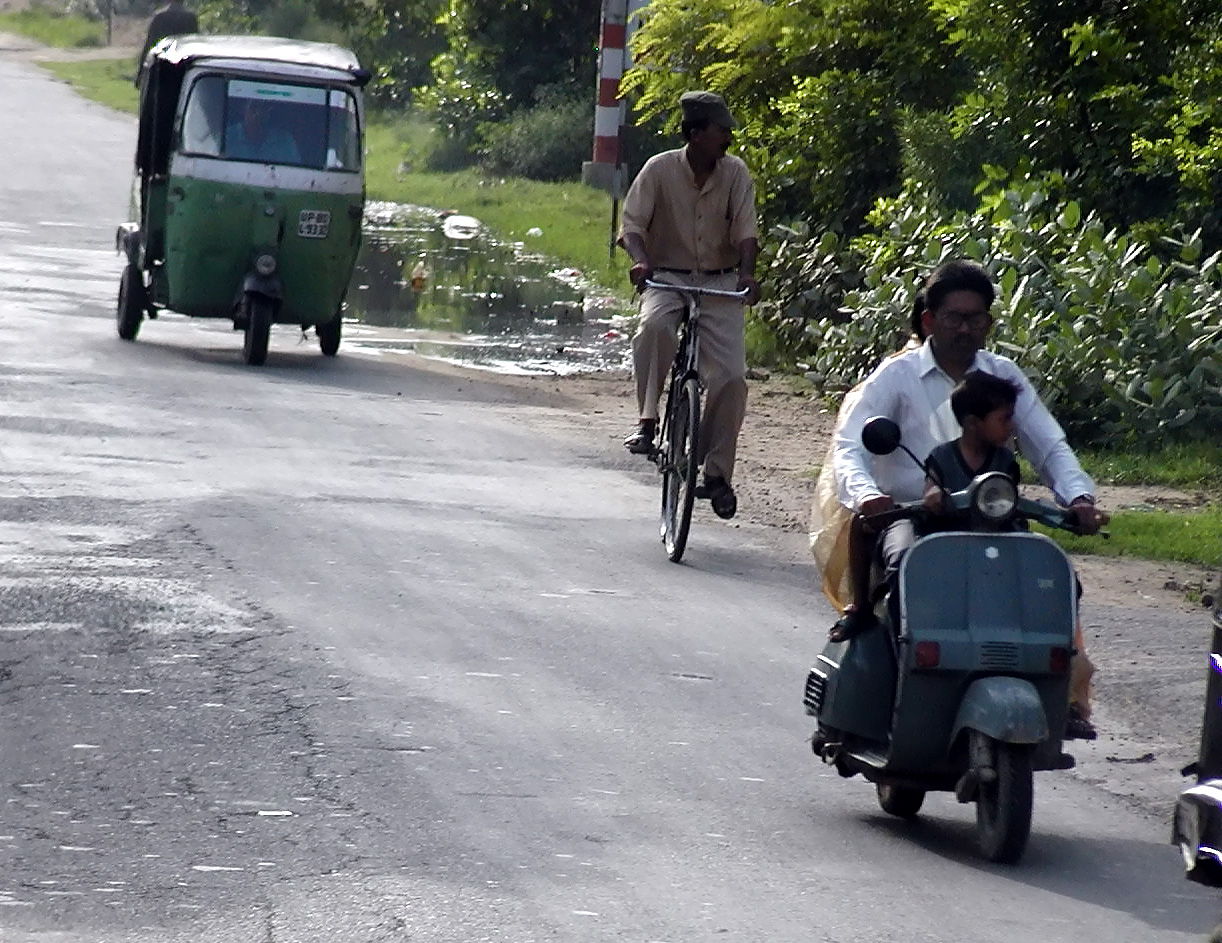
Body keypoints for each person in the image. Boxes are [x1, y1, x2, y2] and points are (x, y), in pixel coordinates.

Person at [829, 259, 1108, 739]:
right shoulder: (895, 378)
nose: (965, 328)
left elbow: (1049, 444)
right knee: (903, 574)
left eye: (976, 319)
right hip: (913, 519)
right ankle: (900, 690)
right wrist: (869, 495)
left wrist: (1079, 497)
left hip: (992, 517)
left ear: (989, 323)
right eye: (954, 317)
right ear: (928, 321)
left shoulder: (1004, 378)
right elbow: (849, 446)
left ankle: (1057, 695)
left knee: (1055, 583)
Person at [617, 90, 761, 520]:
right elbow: (632, 225)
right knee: (654, 328)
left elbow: (747, 233)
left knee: (732, 378)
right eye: (721, 130)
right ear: (696, 134)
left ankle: (717, 473)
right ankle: (647, 420)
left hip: (720, 281)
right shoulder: (659, 170)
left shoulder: (735, 173)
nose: (728, 138)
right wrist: (642, 262)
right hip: (668, 276)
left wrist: (748, 275)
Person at [921, 370, 1022, 515]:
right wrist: (934, 494)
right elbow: (930, 489)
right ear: (972, 423)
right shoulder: (942, 457)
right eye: (1004, 419)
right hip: (948, 535)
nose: (1011, 425)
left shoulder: (1005, 461)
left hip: (995, 535)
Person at [136, 0, 199, 87]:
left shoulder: (160, 17)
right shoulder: (191, 18)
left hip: (162, 66)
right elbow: (196, 45)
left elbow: (150, 45)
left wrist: (141, 74)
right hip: (184, 66)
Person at [225, 98, 303, 166]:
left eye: (263, 108)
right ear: (243, 109)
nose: (258, 113)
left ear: (269, 112)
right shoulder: (227, 136)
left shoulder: (285, 140)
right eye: (254, 107)